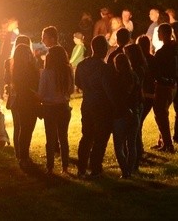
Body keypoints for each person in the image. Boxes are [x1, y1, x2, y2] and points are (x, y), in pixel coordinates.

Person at [76, 36, 114, 178]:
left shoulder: (81, 65)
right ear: (103, 49)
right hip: (101, 106)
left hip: (87, 104)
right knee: (100, 138)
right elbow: (109, 88)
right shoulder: (105, 68)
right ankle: (95, 167)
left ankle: (81, 168)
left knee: (86, 136)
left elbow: (78, 83)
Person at [38, 45, 74, 174]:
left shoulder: (46, 73)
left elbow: (41, 93)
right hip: (64, 107)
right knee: (63, 138)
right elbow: (71, 90)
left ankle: (50, 167)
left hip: (49, 108)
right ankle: (65, 167)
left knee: (50, 138)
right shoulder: (67, 71)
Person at [8, 41, 40, 167]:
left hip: (33, 101)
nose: (29, 55)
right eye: (26, 53)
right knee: (24, 128)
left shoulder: (32, 67)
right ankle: (23, 157)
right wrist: (34, 93)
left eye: (29, 53)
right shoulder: (18, 70)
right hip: (24, 101)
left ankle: (25, 155)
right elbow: (22, 87)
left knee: (29, 128)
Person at [110, 53, 141, 178]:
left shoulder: (117, 78)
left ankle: (125, 171)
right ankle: (130, 169)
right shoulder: (134, 76)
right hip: (134, 112)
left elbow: (119, 97)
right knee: (131, 143)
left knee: (119, 146)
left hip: (121, 114)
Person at [149, 23, 177, 152]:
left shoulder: (162, 52)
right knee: (163, 113)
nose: (158, 35)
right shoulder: (174, 48)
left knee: (160, 114)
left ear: (165, 33)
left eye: (159, 32)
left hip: (165, 85)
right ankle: (163, 142)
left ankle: (167, 144)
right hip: (173, 84)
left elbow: (157, 71)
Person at [133, 36, 154, 159]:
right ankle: (138, 148)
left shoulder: (138, 62)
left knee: (138, 123)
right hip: (150, 95)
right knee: (138, 122)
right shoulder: (152, 59)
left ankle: (138, 149)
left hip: (142, 95)